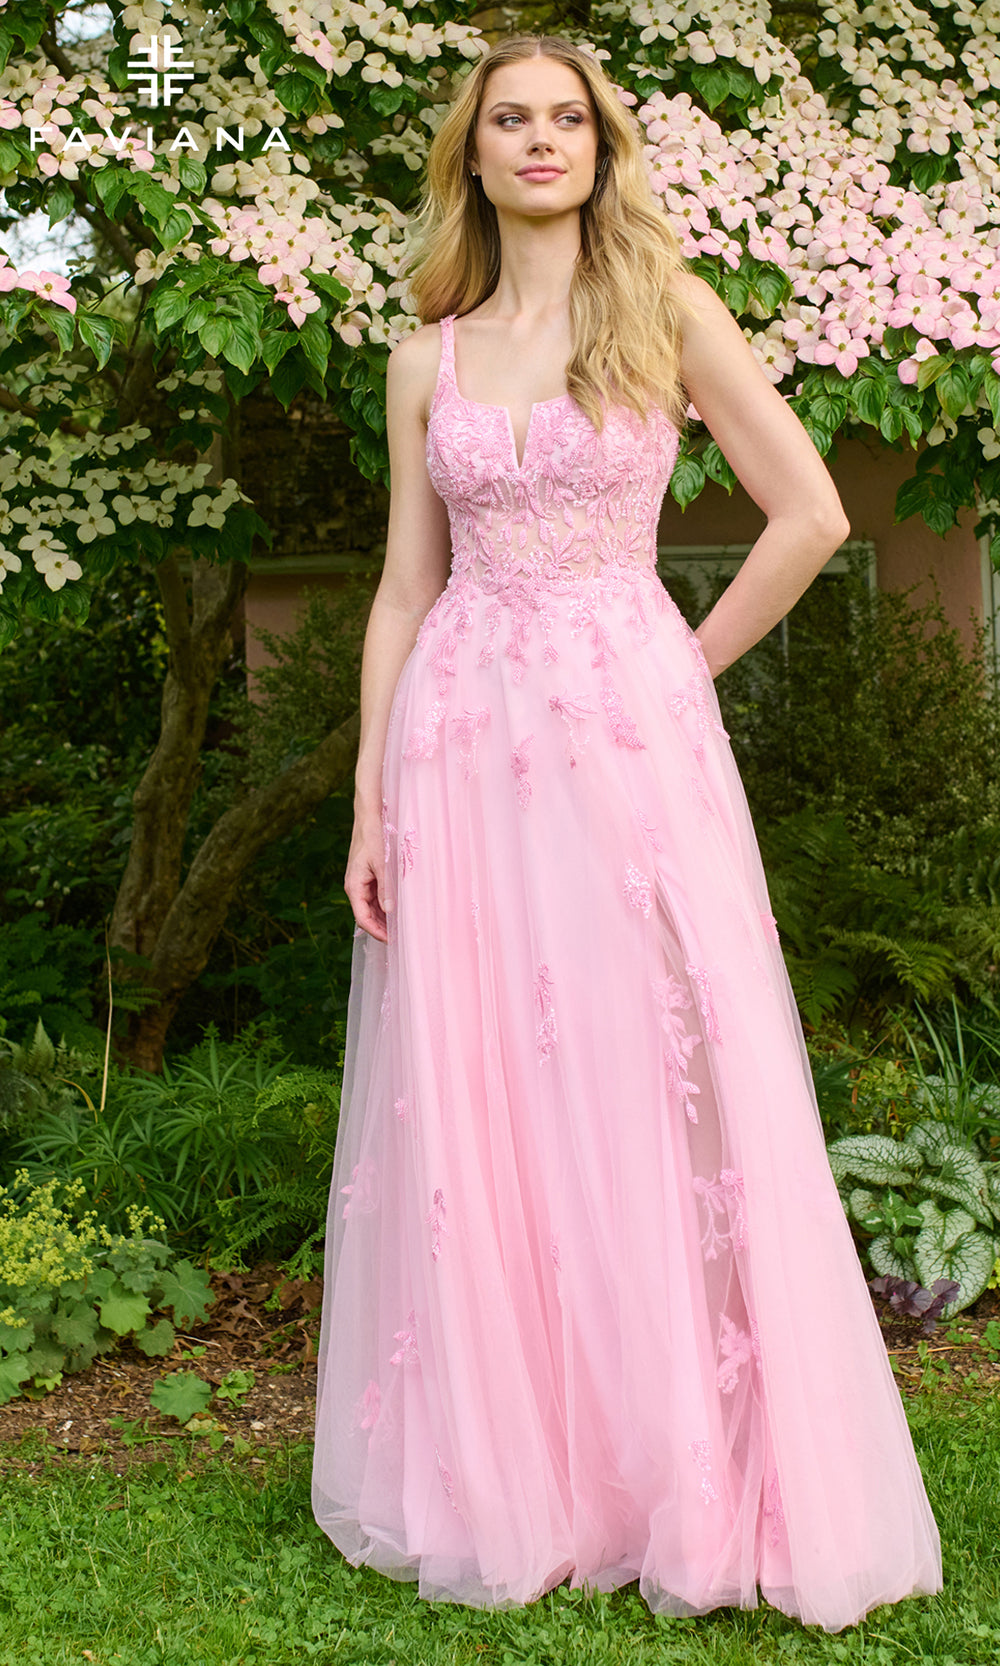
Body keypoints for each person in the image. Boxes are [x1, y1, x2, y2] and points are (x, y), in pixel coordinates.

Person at [311, 30, 943, 1633]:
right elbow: (402, 588)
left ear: (600, 148)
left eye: (567, 119)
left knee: (652, 1068)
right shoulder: (425, 360)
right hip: (460, 746)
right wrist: (372, 789)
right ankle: (529, 1470)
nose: (540, 140)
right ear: (472, 155)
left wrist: (678, 666)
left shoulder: (666, 313)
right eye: (510, 120)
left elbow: (812, 512)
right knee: (491, 1087)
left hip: (625, 740)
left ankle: (688, 1464)